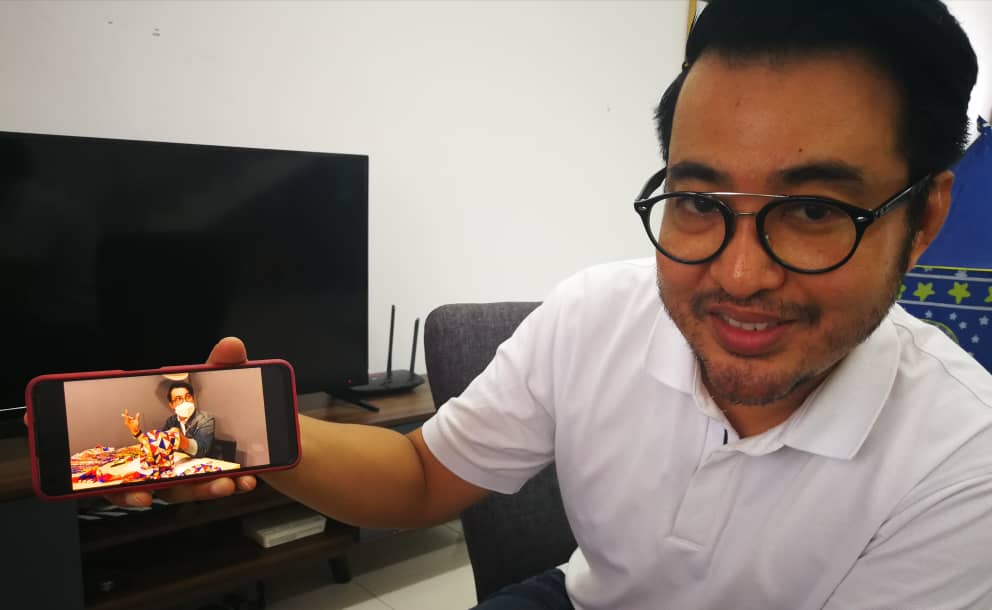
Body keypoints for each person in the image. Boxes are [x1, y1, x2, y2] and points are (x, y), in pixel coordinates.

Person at [112, 0, 992, 607]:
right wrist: (261, 433)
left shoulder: (963, 464)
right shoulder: (593, 315)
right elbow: (422, 475)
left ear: (925, 219)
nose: (737, 276)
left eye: (814, 211)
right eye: (698, 201)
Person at [122, 380, 215, 459]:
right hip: (179, 464)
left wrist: (180, 438)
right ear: (171, 405)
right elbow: (159, 444)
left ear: (193, 399)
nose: (185, 402)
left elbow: (202, 450)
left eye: (188, 397)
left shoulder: (205, 419)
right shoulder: (171, 421)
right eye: (178, 399)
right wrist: (137, 433)